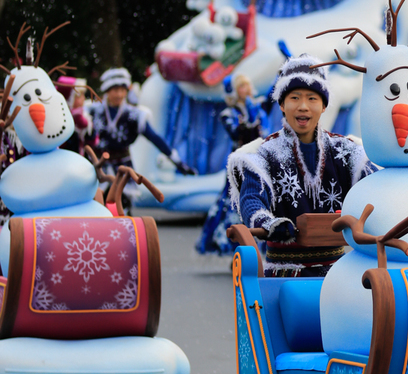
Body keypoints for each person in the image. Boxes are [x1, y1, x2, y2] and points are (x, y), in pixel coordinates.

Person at [227, 54, 375, 277]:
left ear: (324, 106)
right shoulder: (262, 154)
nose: (303, 107)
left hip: (339, 277)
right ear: (282, 105)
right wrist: (269, 223)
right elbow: (251, 198)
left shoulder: (348, 152)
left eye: (312, 99)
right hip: (283, 274)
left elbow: (374, 192)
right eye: (295, 98)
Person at [195, 73, 271, 255]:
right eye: (241, 87)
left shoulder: (258, 107)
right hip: (238, 165)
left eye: (247, 85)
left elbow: (273, 97)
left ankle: (257, 247)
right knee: (233, 204)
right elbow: (236, 134)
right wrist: (249, 123)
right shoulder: (229, 113)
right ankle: (235, 247)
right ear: (236, 91)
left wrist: (282, 71)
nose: (246, 90)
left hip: (258, 163)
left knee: (260, 202)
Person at [89, 67, 196, 190]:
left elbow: (154, 137)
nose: (119, 94)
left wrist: (176, 161)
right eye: (115, 90)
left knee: (123, 204)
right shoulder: (93, 112)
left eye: (122, 90)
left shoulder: (133, 115)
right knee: (96, 202)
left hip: (122, 166)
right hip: (98, 166)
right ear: (107, 90)